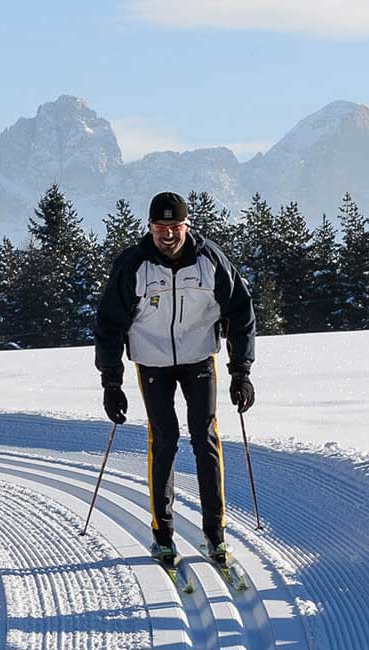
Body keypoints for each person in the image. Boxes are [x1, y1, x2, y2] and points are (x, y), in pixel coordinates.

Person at [93, 191, 256, 568]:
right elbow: (108, 325)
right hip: (152, 363)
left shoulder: (210, 261)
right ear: (150, 227)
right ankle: (163, 536)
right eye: (160, 227)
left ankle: (215, 534)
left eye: (175, 226)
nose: (168, 235)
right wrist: (111, 383)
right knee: (164, 439)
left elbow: (241, 313)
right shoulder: (134, 265)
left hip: (199, 356)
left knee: (206, 438)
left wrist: (241, 372)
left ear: (187, 225)